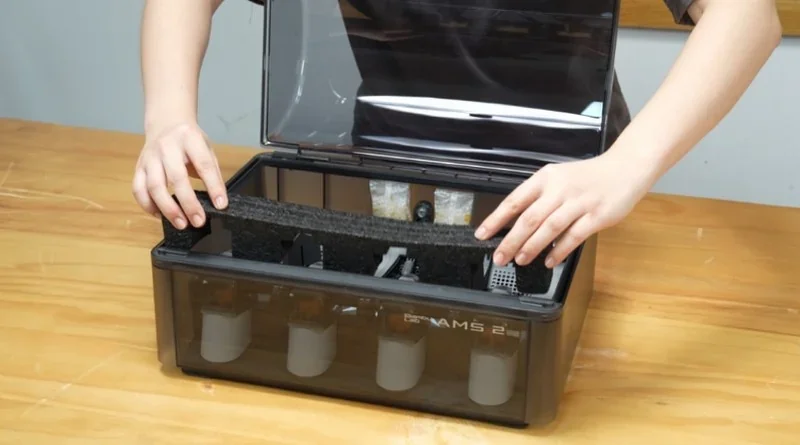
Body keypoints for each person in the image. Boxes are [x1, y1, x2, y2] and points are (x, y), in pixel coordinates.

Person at [133, 0, 782, 269]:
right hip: (380, 160)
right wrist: (167, 115)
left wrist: (623, 169)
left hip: (565, 187)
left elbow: (748, 13)